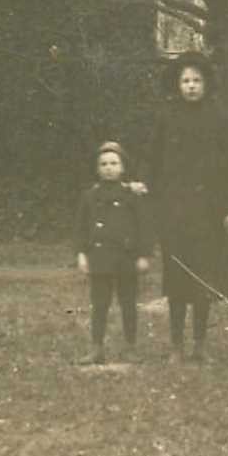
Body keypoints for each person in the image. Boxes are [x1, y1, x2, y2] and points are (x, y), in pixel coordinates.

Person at [148, 50, 228, 363]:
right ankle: (176, 346)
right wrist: (154, 201)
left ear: (206, 83)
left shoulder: (220, 118)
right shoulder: (166, 117)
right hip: (174, 210)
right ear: (177, 85)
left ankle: (200, 345)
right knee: (177, 278)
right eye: (185, 80)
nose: (191, 86)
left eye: (196, 80)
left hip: (208, 212)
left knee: (203, 278)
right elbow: (154, 161)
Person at [73, 141, 151, 365]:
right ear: (97, 169)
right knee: (99, 304)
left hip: (126, 257)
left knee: (128, 303)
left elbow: (144, 226)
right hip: (100, 257)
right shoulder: (90, 196)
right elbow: (80, 228)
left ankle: (130, 347)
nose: (109, 168)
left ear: (123, 167)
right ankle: (96, 348)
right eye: (104, 164)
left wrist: (143, 255)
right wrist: (81, 254)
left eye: (114, 163)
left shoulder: (132, 195)